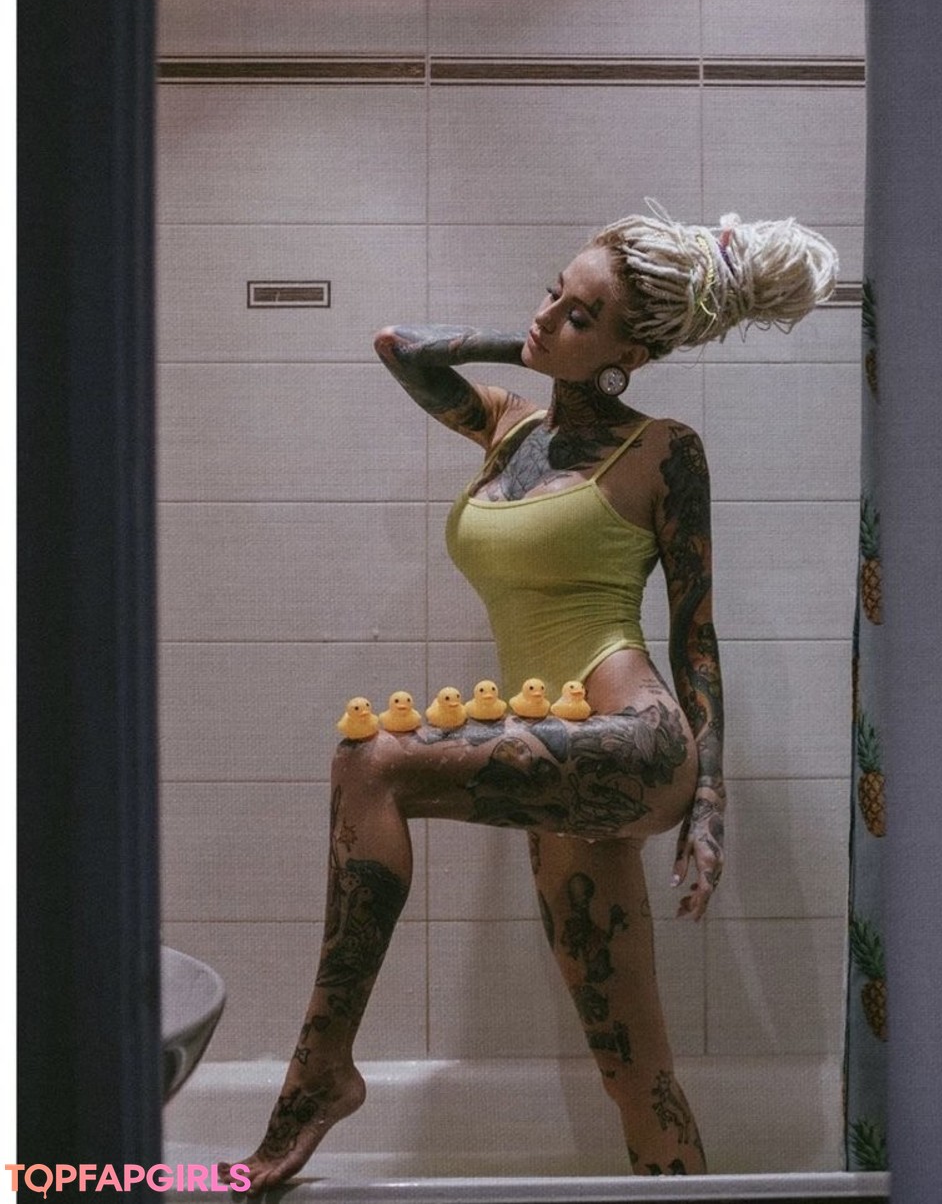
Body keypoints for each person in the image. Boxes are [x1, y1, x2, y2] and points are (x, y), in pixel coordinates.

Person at [226, 203, 838, 1193]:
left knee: (370, 760)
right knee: (634, 1071)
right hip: (554, 754)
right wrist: (548, 341)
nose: (548, 314)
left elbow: (695, 630)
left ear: (630, 355)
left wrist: (710, 800)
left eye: (579, 313)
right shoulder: (506, 426)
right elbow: (400, 348)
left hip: (632, 738)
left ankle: (319, 1074)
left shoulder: (663, 450)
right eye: (553, 292)